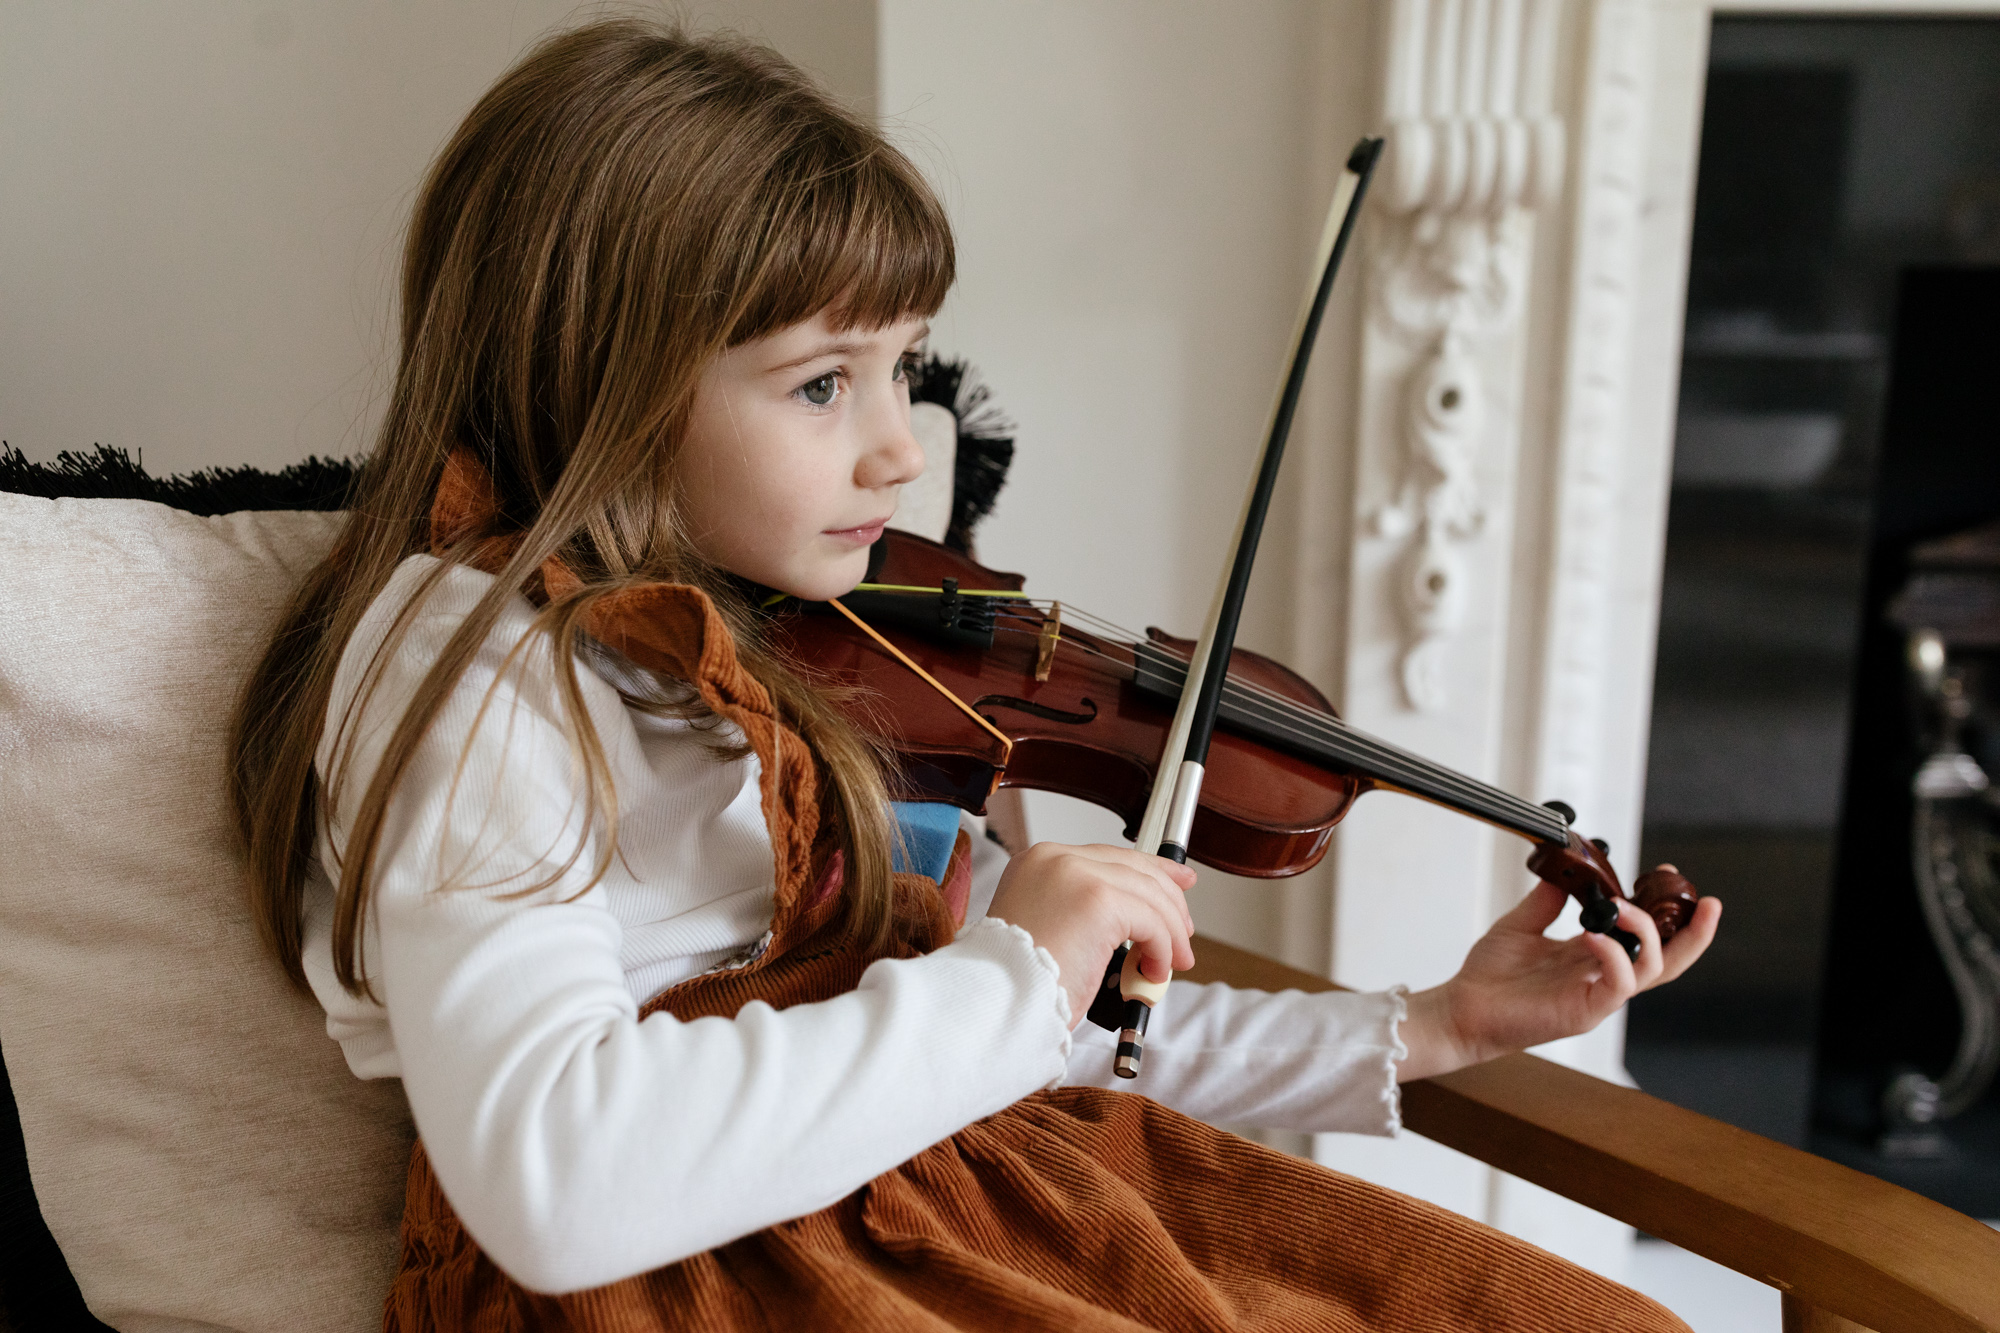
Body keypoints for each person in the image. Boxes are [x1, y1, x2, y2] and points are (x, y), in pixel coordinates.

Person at [230, 19, 1720, 1331]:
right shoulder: (487, 676)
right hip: (702, 1287)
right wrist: (1012, 973)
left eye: (905, 368)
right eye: (825, 382)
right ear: (596, 377)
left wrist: (1429, 1024)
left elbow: (1041, 1041)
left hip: (959, 1204)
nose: (898, 448)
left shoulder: (805, 642)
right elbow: (556, 1183)